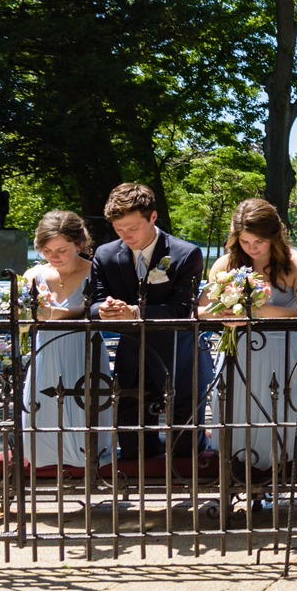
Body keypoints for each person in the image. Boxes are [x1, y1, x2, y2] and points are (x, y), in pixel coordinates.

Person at [198, 199, 297, 476]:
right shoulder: (226, 262)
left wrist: (256, 309)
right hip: (238, 351)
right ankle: (238, 473)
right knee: (239, 411)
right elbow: (200, 310)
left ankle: (285, 473)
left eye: (259, 241)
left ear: (274, 236)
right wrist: (222, 311)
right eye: (244, 241)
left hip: (282, 351)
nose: (252, 248)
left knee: (282, 410)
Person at [84, 183, 206, 461]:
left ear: (152, 217)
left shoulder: (186, 253)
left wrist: (136, 313)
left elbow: (181, 309)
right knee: (133, 449)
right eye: (118, 229)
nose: (126, 236)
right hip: (132, 358)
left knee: (185, 450)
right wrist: (103, 310)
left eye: (132, 228)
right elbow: (90, 305)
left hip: (179, 356)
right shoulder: (104, 255)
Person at [18, 211, 97, 472]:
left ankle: (86, 462)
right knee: (42, 404)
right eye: (47, 249)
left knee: (82, 403)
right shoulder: (33, 275)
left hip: (83, 348)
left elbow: (94, 310)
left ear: (79, 244)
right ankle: (42, 461)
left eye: (62, 249)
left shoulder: (96, 271)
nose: (54, 256)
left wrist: (55, 313)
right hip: (45, 351)